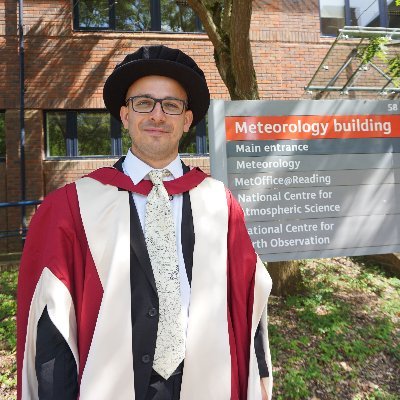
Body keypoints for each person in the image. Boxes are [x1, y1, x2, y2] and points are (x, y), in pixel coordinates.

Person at [17, 45, 273, 400]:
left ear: (186, 120)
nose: (157, 115)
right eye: (144, 103)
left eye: (171, 105)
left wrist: (258, 376)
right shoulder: (72, 207)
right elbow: (52, 325)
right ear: (125, 115)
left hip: (205, 380)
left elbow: (251, 296)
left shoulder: (220, 204)